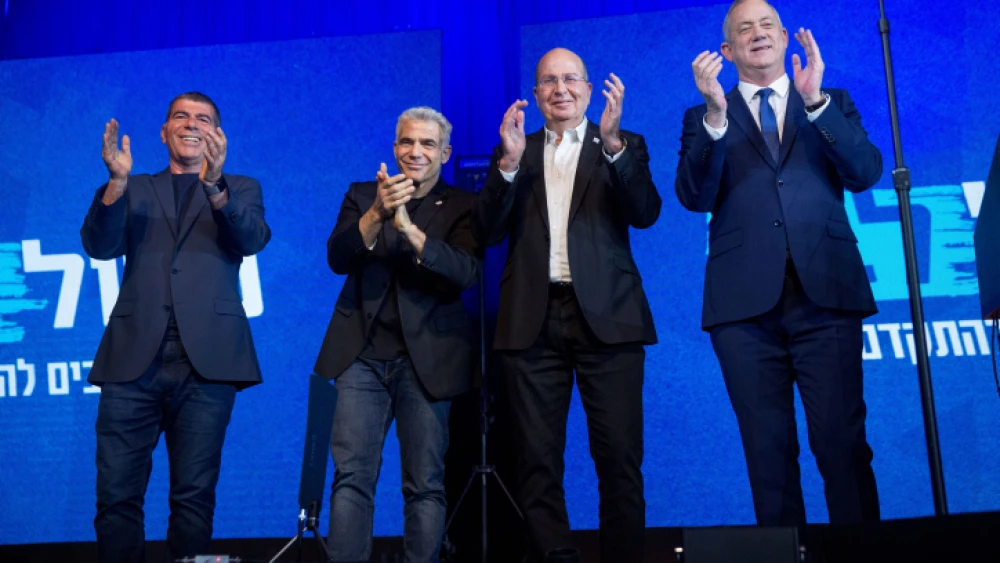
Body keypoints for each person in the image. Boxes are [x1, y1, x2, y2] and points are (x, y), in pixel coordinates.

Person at [675, 0, 882, 528]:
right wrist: (715, 117)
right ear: (727, 50)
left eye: (767, 24)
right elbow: (695, 196)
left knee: (843, 446)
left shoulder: (830, 100)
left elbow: (864, 172)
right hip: (744, 311)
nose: (757, 33)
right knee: (768, 458)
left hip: (826, 295)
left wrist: (815, 102)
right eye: (744, 28)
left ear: (786, 37)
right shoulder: (704, 116)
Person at [475, 48, 660, 563]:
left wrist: (616, 144)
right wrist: (507, 166)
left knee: (620, 460)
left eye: (570, 79)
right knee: (536, 462)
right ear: (535, 95)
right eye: (549, 81)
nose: (560, 89)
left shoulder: (622, 143)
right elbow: (485, 232)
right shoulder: (514, 150)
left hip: (610, 318)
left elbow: (645, 212)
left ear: (589, 86)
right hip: (531, 323)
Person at [81, 91, 271, 563]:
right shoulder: (133, 187)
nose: (191, 124)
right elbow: (99, 247)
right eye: (180, 117)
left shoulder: (240, 187)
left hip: (206, 361)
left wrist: (214, 185)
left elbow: (250, 239)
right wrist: (116, 182)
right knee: (117, 497)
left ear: (217, 135)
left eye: (203, 119)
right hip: (132, 360)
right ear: (163, 132)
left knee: (193, 497)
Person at [314, 106, 479, 563]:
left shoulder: (464, 206)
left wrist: (409, 230)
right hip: (360, 358)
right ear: (394, 148)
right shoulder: (363, 194)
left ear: (445, 153)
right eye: (407, 142)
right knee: (351, 477)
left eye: (428, 144)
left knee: (424, 483)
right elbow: (337, 256)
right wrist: (377, 214)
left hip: (427, 362)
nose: (416, 151)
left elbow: (465, 272)